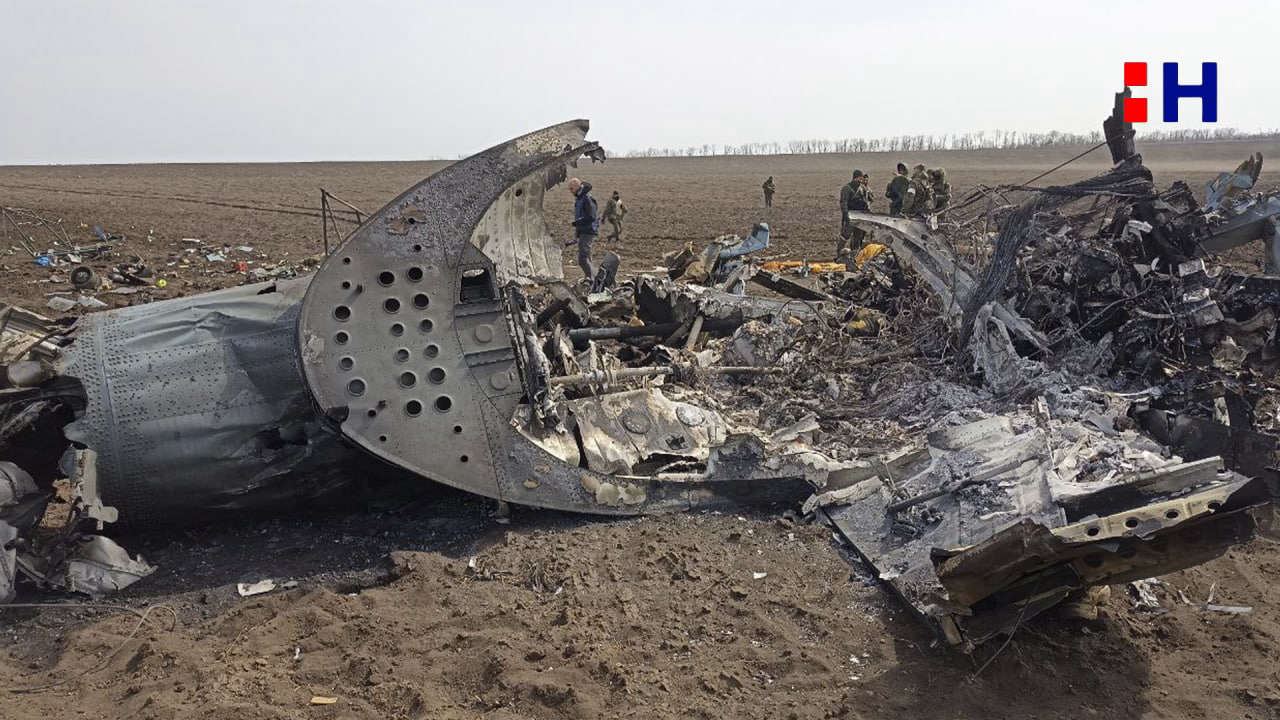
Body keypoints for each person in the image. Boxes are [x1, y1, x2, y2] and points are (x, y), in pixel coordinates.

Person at [567, 177, 599, 281]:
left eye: (571, 188)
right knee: (587, 257)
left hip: (588, 231)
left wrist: (578, 223)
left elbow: (591, 216)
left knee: (583, 259)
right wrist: (577, 234)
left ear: (577, 187)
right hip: (583, 231)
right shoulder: (580, 198)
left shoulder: (587, 198)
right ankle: (592, 278)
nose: (570, 191)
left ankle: (592, 279)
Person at [838, 170, 873, 260]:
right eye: (860, 178)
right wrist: (846, 216)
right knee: (845, 236)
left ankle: (855, 257)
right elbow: (843, 203)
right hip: (851, 216)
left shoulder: (863, 188)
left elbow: (867, 202)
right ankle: (839, 256)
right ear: (856, 177)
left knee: (858, 237)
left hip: (860, 217)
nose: (861, 180)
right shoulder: (847, 188)